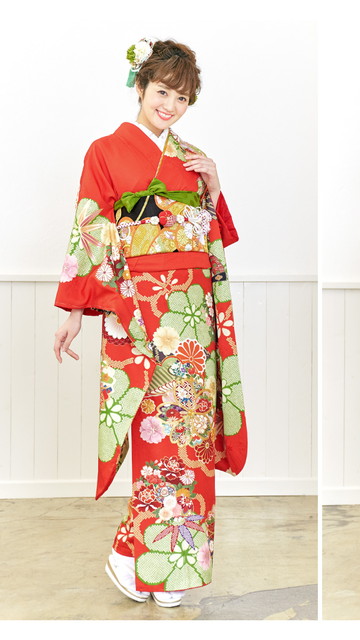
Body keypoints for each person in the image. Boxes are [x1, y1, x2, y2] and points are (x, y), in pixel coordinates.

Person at [53, 38, 248, 608]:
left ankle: (167, 567)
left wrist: (214, 187)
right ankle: (143, 558)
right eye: (162, 92)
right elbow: (90, 231)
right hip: (140, 312)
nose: (170, 106)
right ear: (140, 87)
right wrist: (74, 312)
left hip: (192, 315)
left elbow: (212, 238)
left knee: (191, 436)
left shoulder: (193, 158)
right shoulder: (105, 151)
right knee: (155, 431)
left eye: (182, 98)